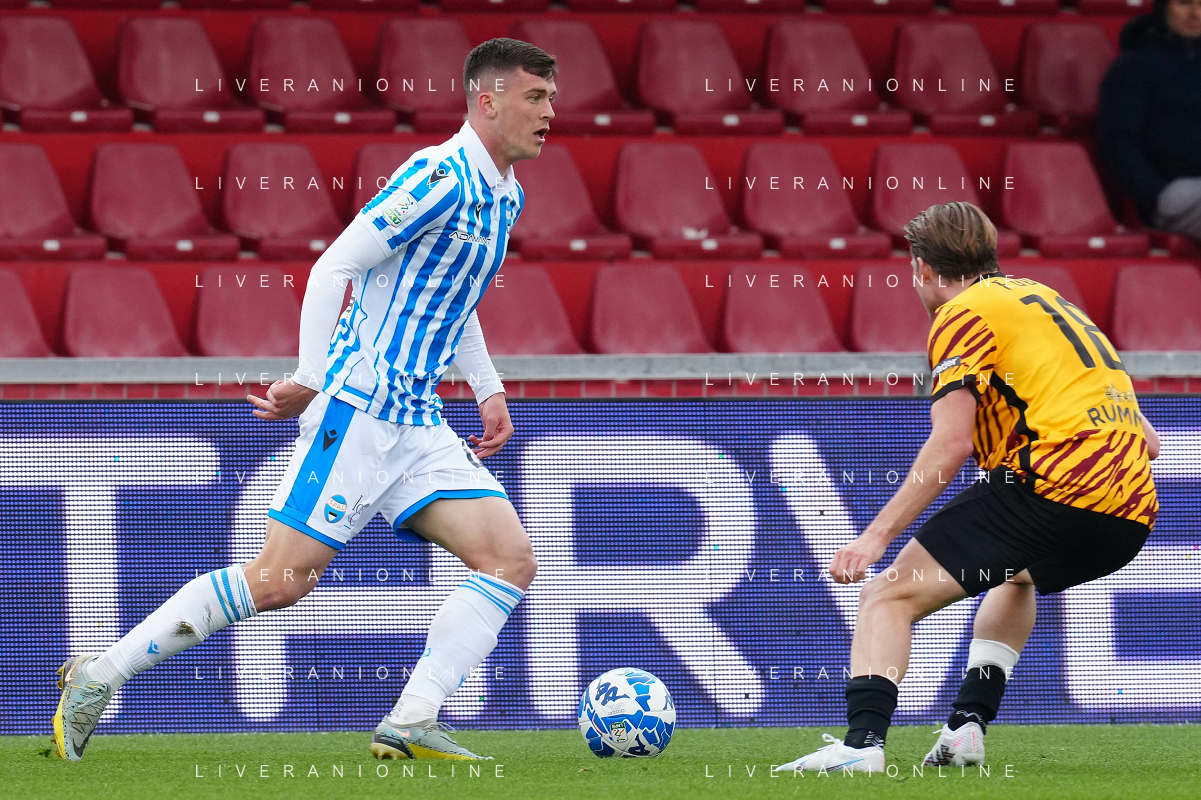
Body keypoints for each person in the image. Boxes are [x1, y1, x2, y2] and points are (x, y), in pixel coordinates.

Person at [51, 38, 557, 763]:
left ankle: (412, 718)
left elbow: (456, 296)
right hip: (358, 409)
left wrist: (488, 388)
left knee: (509, 558)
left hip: (419, 421)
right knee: (278, 581)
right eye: (535, 97)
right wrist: (313, 375)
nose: (548, 112)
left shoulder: (506, 194)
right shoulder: (438, 178)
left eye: (550, 98)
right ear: (488, 101)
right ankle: (99, 675)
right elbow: (334, 265)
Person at [775, 202, 1159, 774]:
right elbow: (1150, 442)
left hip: (1053, 485)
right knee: (1016, 575)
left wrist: (875, 536)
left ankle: (861, 746)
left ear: (923, 269)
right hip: (1130, 513)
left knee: (886, 596)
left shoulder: (961, 312)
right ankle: (967, 726)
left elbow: (951, 443)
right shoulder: (1050, 302)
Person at [1098, 0, 1201, 241]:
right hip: (1177, 191)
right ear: (1164, 7)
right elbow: (1117, 140)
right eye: (1185, 3)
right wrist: (1157, 194)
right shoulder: (1132, 67)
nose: (1196, 14)